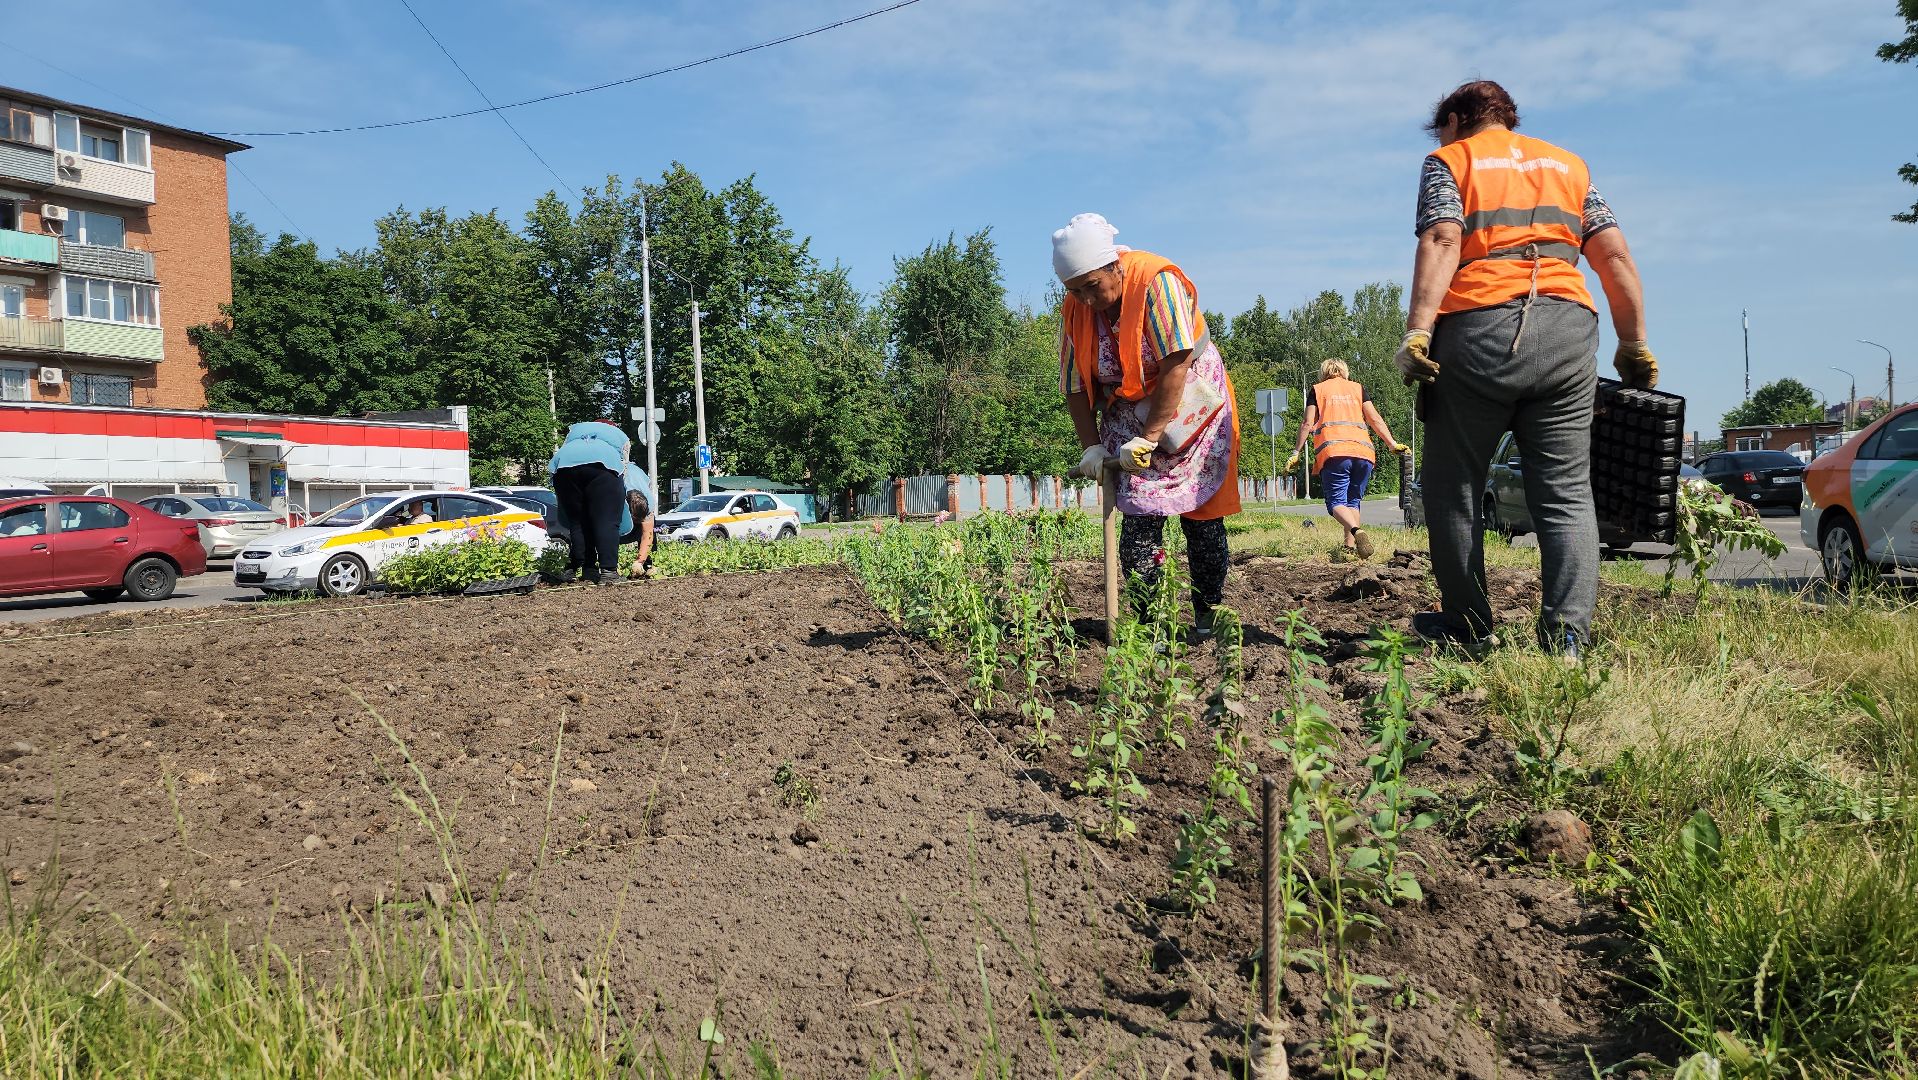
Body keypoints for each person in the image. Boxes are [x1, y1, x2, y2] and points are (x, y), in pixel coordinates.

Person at [1396, 80, 1656, 656]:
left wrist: (1417, 331)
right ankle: (1567, 638)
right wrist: (1633, 342)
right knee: (1565, 493)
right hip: (1568, 333)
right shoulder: (1568, 167)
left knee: (1454, 489)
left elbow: (1443, 239)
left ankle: (1469, 628)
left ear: (1459, 118)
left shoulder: (1450, 160)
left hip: (1479, 332)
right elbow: (1612, 254)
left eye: (1443, 126)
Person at [1054, 213, 1241, 633]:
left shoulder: (1156, 282)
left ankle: (1208, 616)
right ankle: (1148, 623)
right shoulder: (1075, 308)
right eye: (1073, 290)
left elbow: (1175, 360)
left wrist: (1151, 437)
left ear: (1115, 268)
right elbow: (1073, 383)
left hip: (1191, 401)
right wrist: (1091, 445)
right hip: (1128, 409)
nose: (1085, 299)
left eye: (1092, 287)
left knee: (1202, 517)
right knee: (1139, 518)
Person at [1285, 358, 1408, 561]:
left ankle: (1357, 531)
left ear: (1323, 372)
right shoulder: (1358, 389)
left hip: (1335, 453)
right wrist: (1392, 444)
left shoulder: (1318, 389)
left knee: (1335, 502)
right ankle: (1350, 548)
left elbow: (1307, 423)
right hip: (1364, 453)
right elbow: (1375, 419)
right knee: (1353, 501)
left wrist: (1296, 451)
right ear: (1345, 371)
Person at [547, 420, 630, 584]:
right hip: (603, 465)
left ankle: (588, 568)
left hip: (563, 466)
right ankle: (608, 572)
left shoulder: (575, 431)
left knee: (577, 521)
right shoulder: (619, 435)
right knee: (607, 520)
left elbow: (564, 447)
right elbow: (624, 463)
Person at [619, 462, 658, 579]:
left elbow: (648, 534)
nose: (637, 524)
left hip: (636, 474)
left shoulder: (649, 503)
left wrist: (639, 562)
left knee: (651, 531)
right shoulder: (618, 495)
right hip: (619, 475)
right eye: (635, 520)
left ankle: (648, 564)